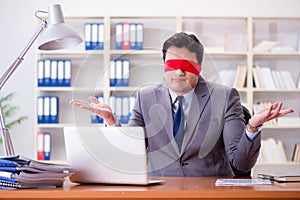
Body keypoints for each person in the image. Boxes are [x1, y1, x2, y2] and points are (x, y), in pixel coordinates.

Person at [70, 32, 294, 176]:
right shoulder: (144, 97)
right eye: (173, 64)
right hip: (160, 191)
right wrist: (111, 122)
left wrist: (252, 127)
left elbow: (242, 164)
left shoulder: (225, 97)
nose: (179, 71)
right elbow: (131, 154)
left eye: (187, 64)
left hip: (211, 192)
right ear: (163, 65)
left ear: (200, 67)